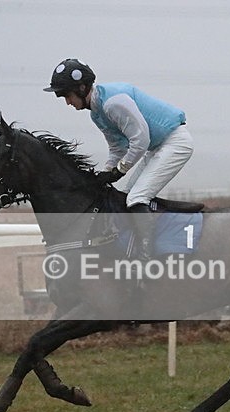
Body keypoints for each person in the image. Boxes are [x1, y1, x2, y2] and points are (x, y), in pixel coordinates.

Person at [44, 58, 193, 261]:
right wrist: (106, 172)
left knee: (136, 198)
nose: (68, 102)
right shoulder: (96, 113)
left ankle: (146, 256)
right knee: (123, 196)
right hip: (157, 148)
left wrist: (119, 170)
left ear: (81, 87)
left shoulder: (113, 103)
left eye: (67, 95)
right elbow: (118, 147)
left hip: (175, 143)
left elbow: (140, 140)